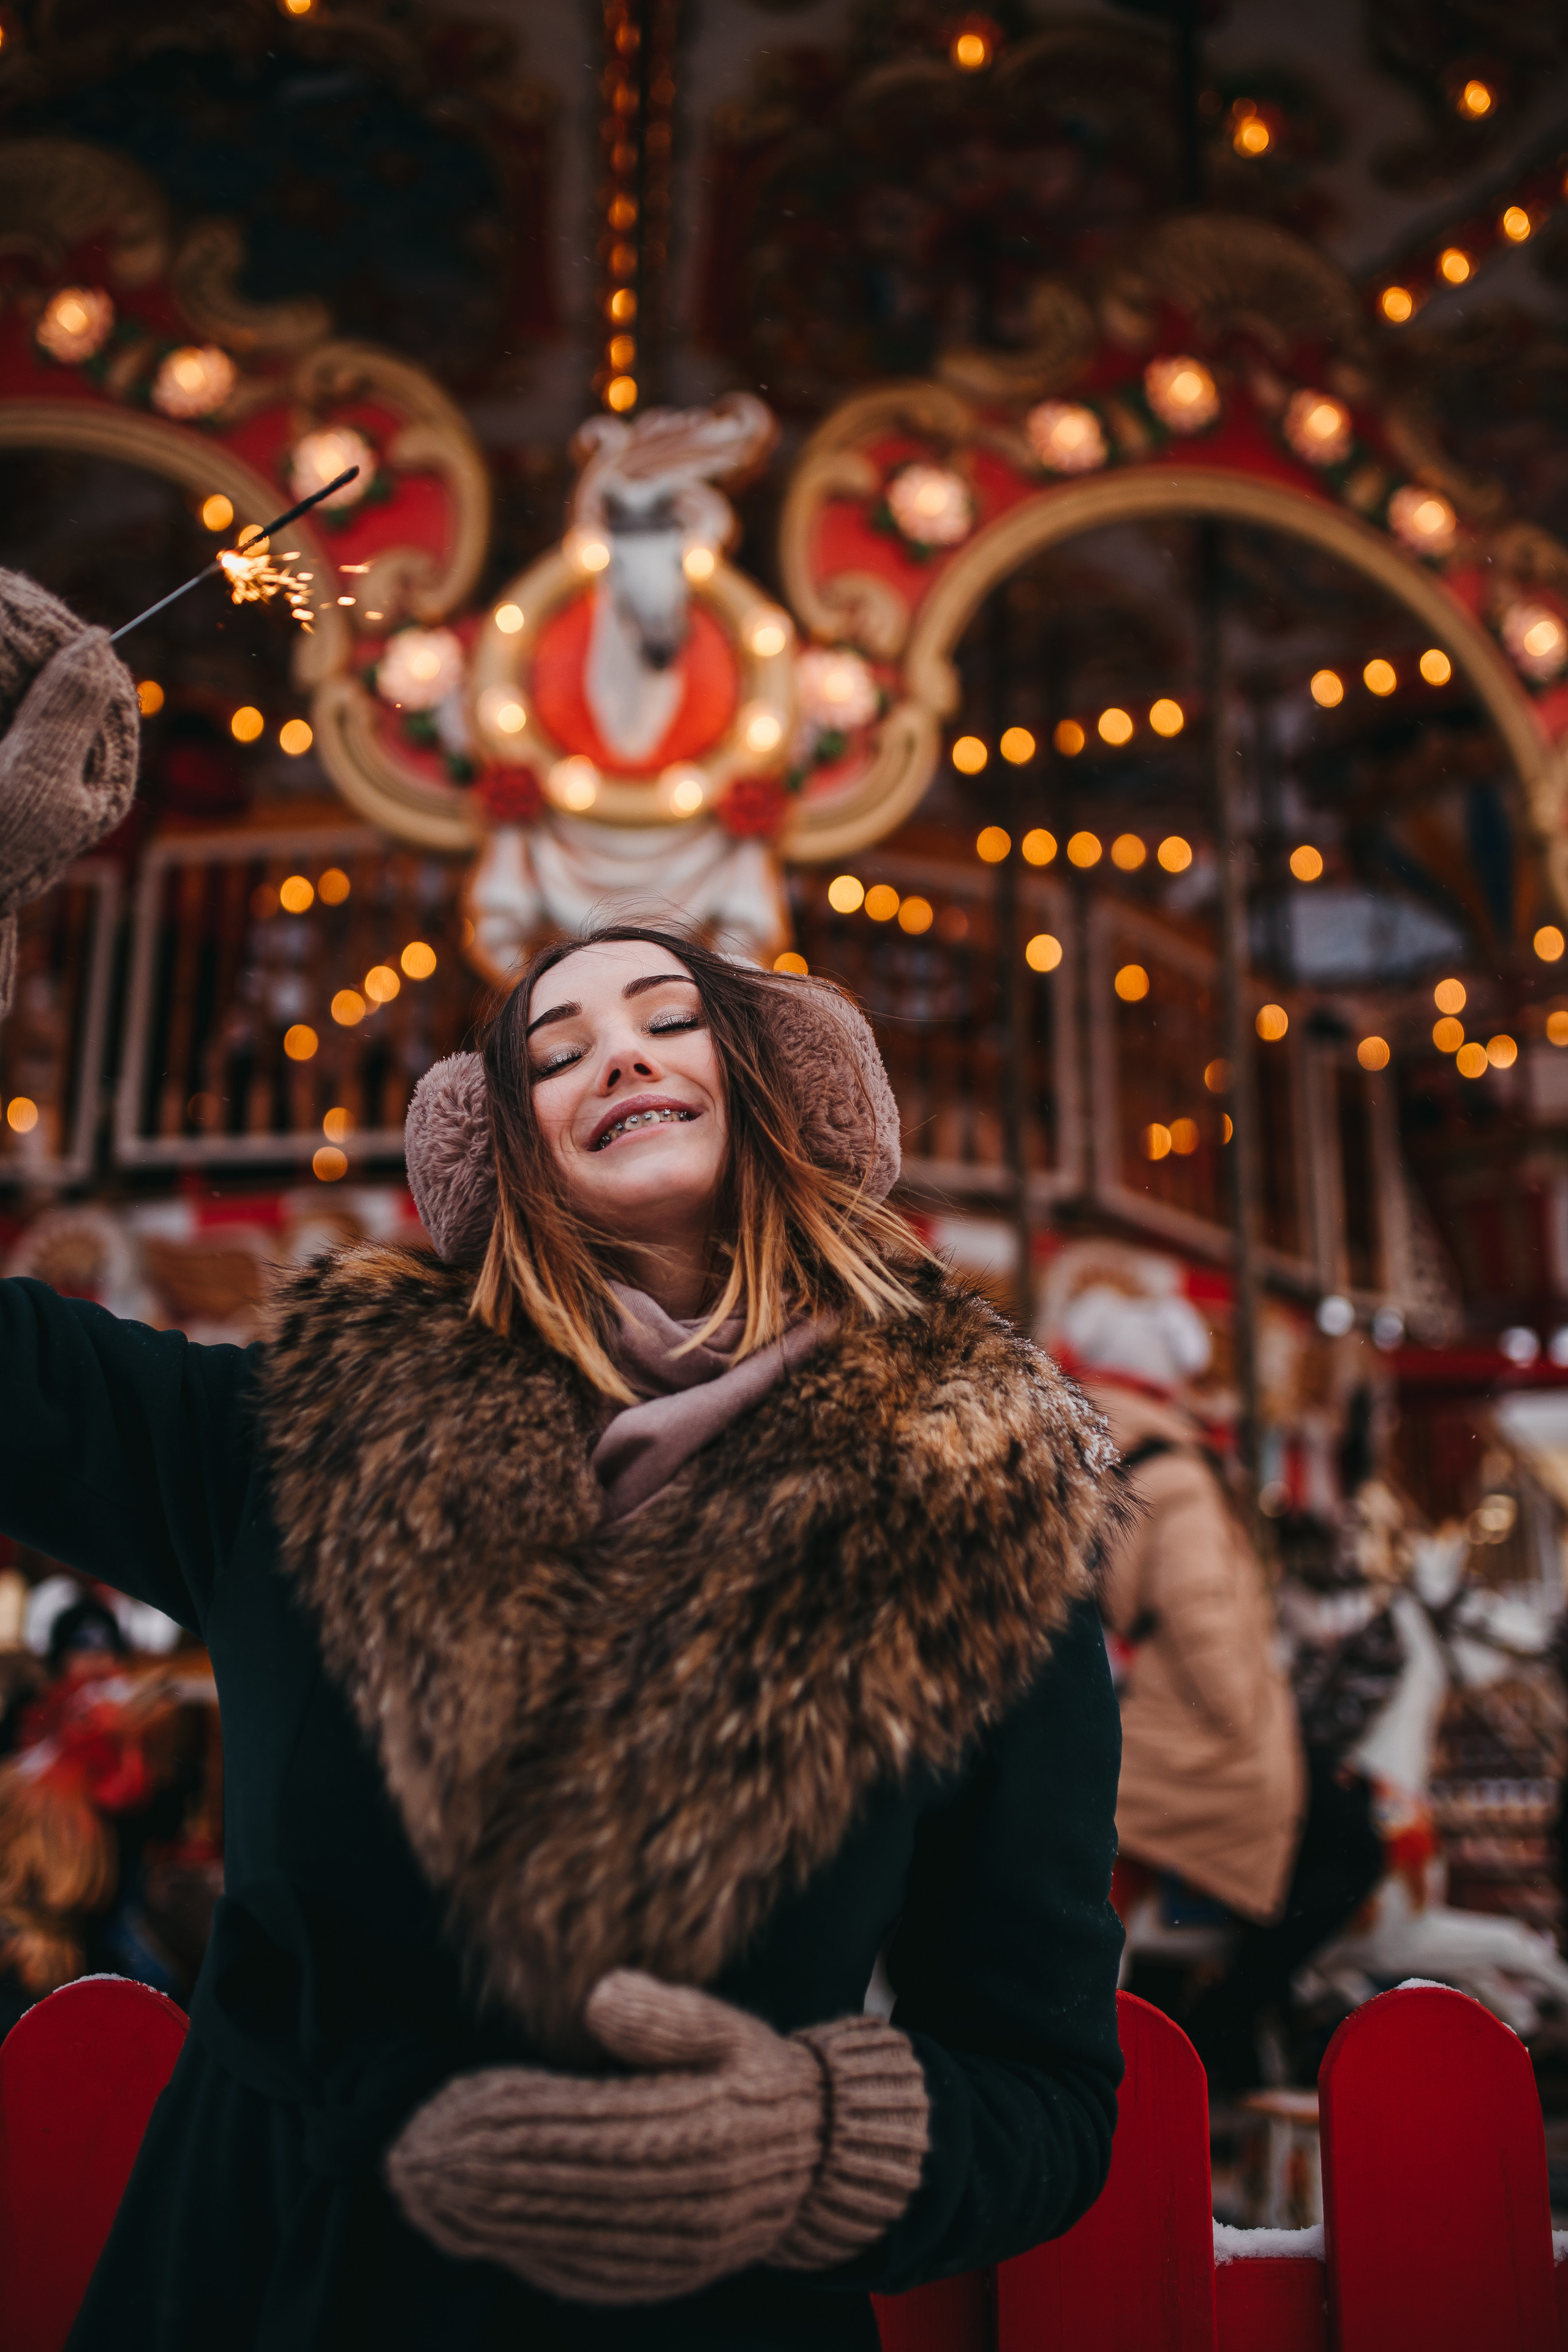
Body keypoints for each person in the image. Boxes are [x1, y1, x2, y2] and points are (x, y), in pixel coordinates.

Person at [0, 573, 1125, 2351]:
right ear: (511, 1152)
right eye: (558, 1044)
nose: (620, 1051)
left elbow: (1048, 2086)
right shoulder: (297, 1440)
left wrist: (821, 2144)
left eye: (672, 1019)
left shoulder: (975, 1521)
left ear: (769, 1091)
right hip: (274, 2288)